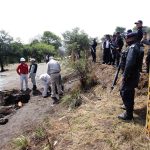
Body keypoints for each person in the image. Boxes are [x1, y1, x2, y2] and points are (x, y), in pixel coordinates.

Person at [118, 32, 142, 121]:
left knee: (125, 92)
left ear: (130, 39)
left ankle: (128, 115)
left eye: (126, 38)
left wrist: (125, 75)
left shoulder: (132, 47)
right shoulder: (136, 46)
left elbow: (130, 63)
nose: (125, 40)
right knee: (128, 92)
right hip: (133, 74)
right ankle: (128, 108)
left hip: (130, 75)